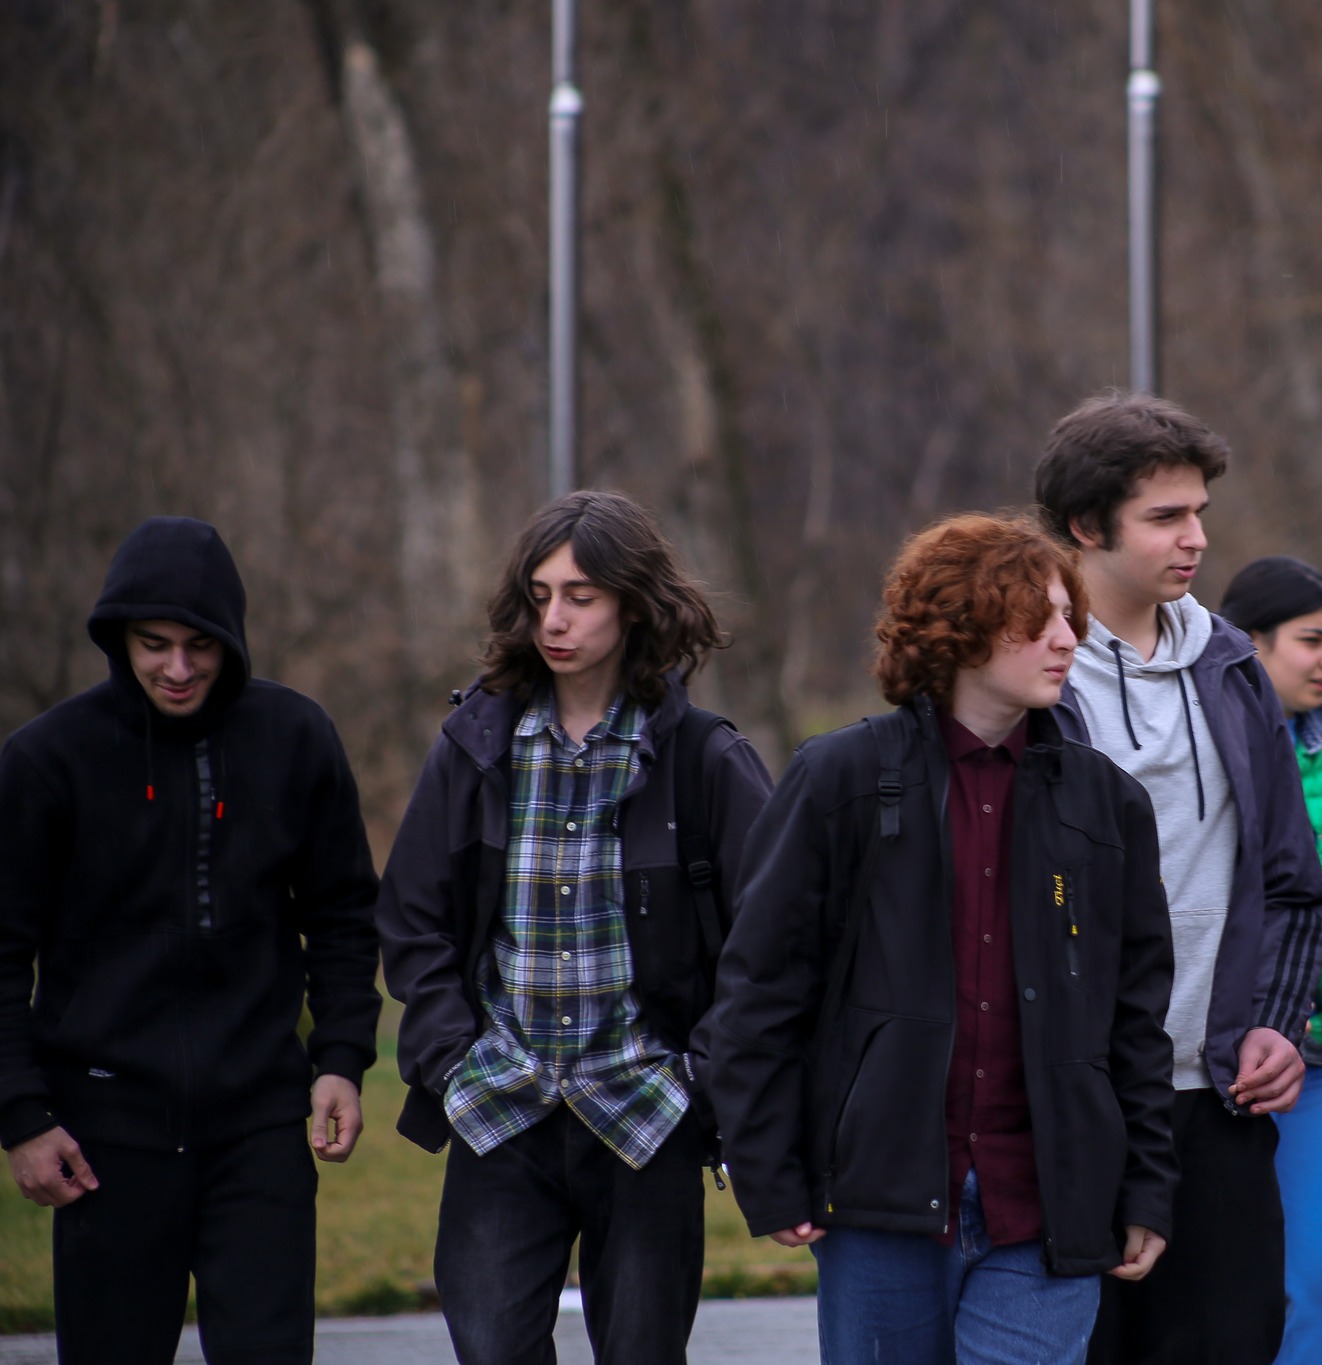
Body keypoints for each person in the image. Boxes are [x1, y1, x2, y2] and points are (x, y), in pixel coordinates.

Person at [699, 513, 1178, 1365]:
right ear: (962, 625)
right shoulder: (839, 778)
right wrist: (767, 1168)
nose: (1068, 639)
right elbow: (760, 987)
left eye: (1069, 616)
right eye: (1038, 618)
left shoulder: (1109, 806)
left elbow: (1136, 1019)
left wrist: (1146, 1186)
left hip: (1048, 1204)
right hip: (879, 1196)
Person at [376, 490, 773, 1364]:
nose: (554, 619)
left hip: (646, 1115)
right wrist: (450, 1057)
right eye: (540, 595)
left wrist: (702, 1076)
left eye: (581, 596)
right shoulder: (474, 746)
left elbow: (771, 942)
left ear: (635, 604)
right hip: (499, 1108)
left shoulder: (707, 759)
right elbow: (410, 916)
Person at [0, 516, 381, 1364]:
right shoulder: (46, 761)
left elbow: (345, 915)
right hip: (103, 1140)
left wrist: (340, 1058)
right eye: (154, 644)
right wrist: (22, 1115)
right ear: (119, 638)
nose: (177, 668)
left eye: (199, 645)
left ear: (231, 640)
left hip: (261, 1130)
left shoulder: (295, 738)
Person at [1035, 391, 1322, 1365]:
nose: (1197, 538)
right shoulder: (1026, 674)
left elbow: (1292, 881)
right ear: (1087, 526)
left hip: (1219, 1095)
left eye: (1199, 511)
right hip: (1069, 1103)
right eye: (1165, 517)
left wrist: (1275, 1023)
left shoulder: (1233, 666)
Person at [1218, 557, 1322, 1365]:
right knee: (1216, 1297)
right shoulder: (1194, 734)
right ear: (1250, 641)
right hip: (1209, 1068)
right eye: (1312, 640)